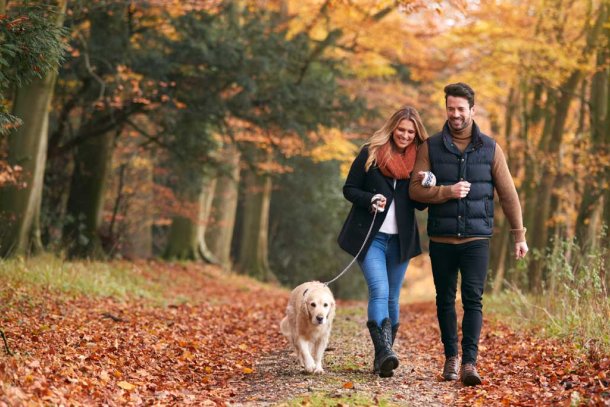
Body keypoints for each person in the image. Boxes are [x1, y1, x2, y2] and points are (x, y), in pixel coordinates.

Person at [409, 83, 528, 386]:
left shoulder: (490, 149)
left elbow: (509, 195)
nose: (456, 114)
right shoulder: (430, 147)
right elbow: (415, 190)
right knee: (445, 300)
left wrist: (519, 235)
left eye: (461, 109)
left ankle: (470, 364)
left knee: (473, 299)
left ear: (472, 110)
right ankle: (451, 358)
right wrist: (446, 192)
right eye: (451, 108)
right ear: (446, 109)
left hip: (477, 238)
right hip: (442, 239)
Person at [338, 106, 428, 378]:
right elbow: (349, 189)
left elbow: (421, 206)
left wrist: (425, 184)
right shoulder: (371, 152)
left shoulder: (420, 161)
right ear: (392, 128)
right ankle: (385, 352)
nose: (405, 135)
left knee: (393, 296)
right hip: (371, 237)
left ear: (416, 135)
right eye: (401, 129)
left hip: (400, 241)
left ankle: (383, 356)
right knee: (379, 290)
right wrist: (369, 199)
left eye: (410, 132)